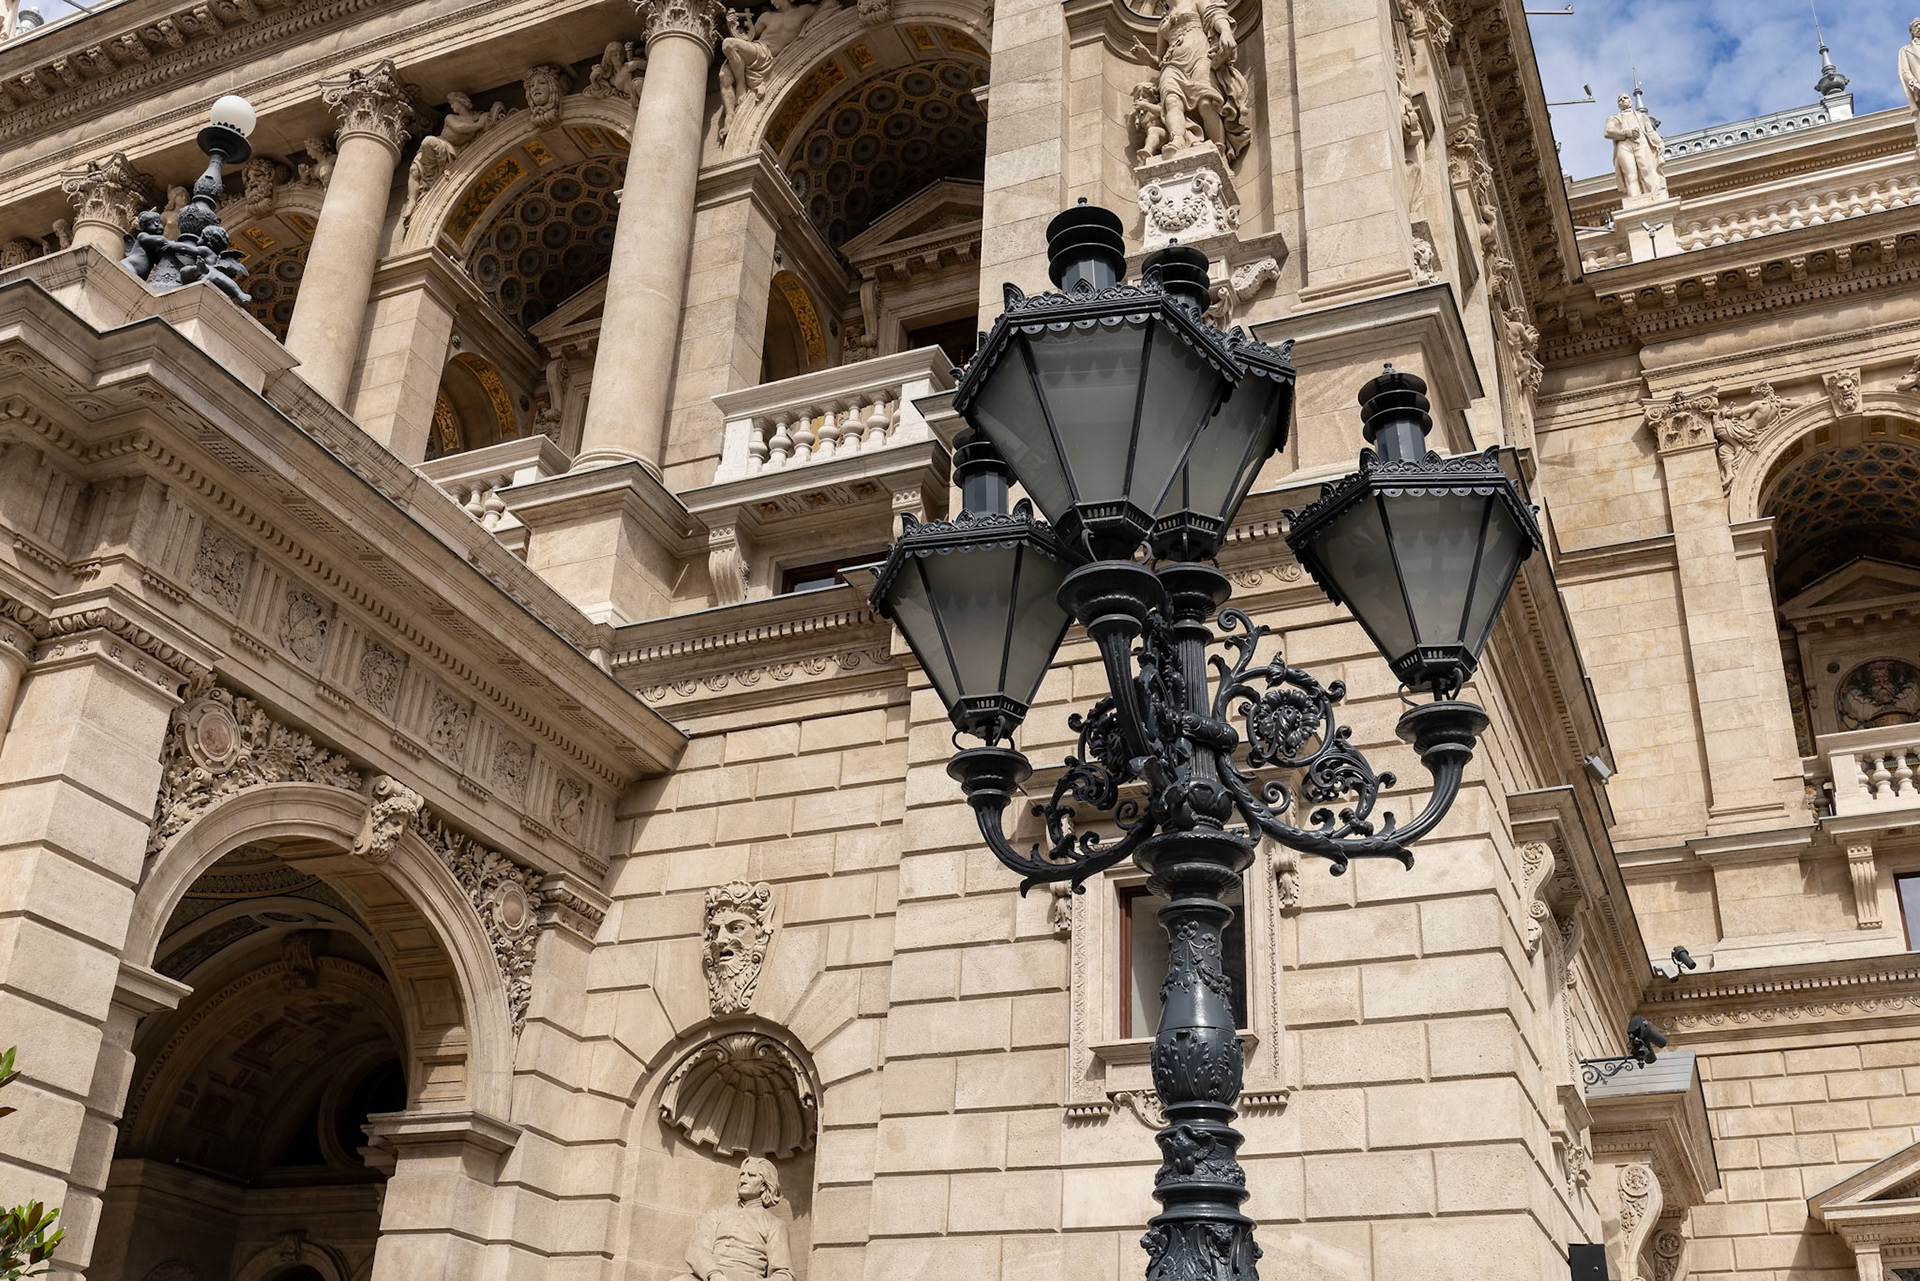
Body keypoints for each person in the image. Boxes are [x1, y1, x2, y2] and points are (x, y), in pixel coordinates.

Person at [673, 1157, 794, 1281]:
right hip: (710, 1276)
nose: (743, 1180)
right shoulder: (717, 1213)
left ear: (764, 1185)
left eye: (751, 1175)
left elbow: (784, 1274)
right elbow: (697, 1249)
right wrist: (713, 1272)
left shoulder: (775, 1225)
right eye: (742, 1174)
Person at [1604, 92, 1666, 201]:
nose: (1623, 100)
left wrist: (1659, 143)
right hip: (1624, 145)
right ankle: (1634, 199)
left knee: (1647, 169)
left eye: (1625, 98)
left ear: (1631, 101)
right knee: (1630, 175)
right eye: (1620, 99)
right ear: (1618, 104)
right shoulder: (1613, 118)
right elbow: (1608, 132)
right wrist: (1627, 133)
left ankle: (1655, 195)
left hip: (1641, 143)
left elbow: (1650, 132)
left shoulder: (1641, 116)